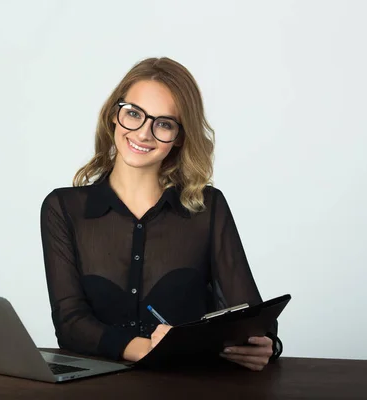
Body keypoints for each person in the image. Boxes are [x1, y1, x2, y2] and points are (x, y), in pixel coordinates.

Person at [40, 57, 282, 371]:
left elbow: (251, 317)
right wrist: (154, 349)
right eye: (134, 114)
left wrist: (266, 345)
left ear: (180, 136)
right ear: (115, 115)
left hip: (191, 388)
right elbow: (70, 325)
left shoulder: (208, 208)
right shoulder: (63, 208)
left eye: (164, 123)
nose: (143, 133)